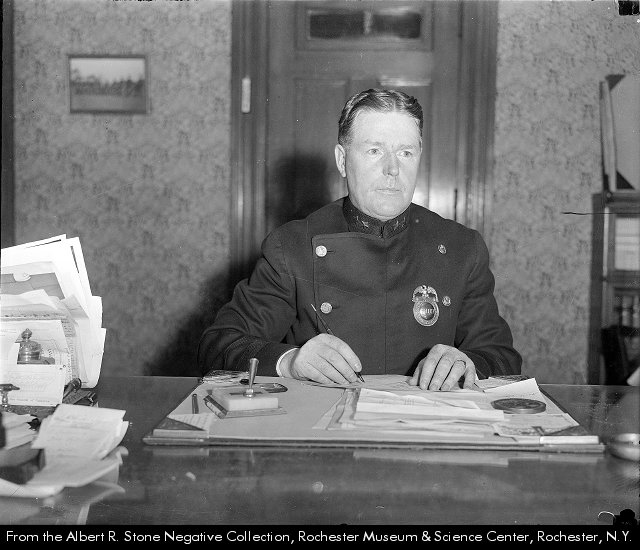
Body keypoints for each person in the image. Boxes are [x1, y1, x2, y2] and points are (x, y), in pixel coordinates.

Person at [198, 89, 521, 390]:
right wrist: (290, 361)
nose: (392, 169)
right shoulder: (292, 246)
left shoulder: (461, 248)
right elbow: (219, 344)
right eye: (374, 150)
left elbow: (502, 357)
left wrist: (468, 364)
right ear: (342, 160)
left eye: (406, 152)